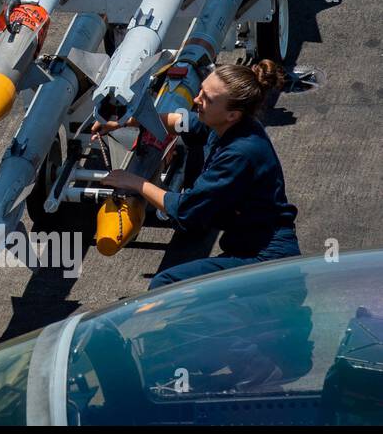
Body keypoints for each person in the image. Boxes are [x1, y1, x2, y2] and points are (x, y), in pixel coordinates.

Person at [96, 60, 299, 289]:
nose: (196, 100)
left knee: (166, 285)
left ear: (232, 114)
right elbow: (182, 122)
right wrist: (125, 122)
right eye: (201, 91)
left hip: (266, 260)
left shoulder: (239, 154)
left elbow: (185, 209)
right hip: (250, 245)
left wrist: (134, 182)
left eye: (207, 99)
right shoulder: (230, 125)